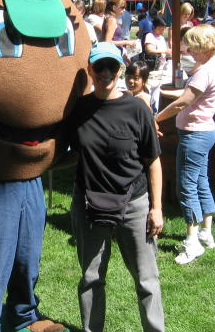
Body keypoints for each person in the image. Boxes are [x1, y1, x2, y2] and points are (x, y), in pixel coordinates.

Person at [68, 42, 164, 332]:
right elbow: (65, 150)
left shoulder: (137, 108)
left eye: (112, 66)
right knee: (91, 277)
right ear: (90, 70)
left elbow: (154, 161)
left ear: (121, 70)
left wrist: (156, 208)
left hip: (134, 204)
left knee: (146, 279)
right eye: (100, 67)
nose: (106, 73)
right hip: (89, 204)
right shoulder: (80, 109)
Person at [156, 25, 215, 265]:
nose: (189, 51)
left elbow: (183, 102)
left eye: (192, 46)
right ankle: (206, 232)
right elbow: (189, 97)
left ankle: (192, 243)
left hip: (195, 136)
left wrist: (155, 118)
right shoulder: (211, 67)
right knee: (201, 181)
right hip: (204, 133)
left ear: (203, 46)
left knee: (186, 187)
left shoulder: (204, 71)